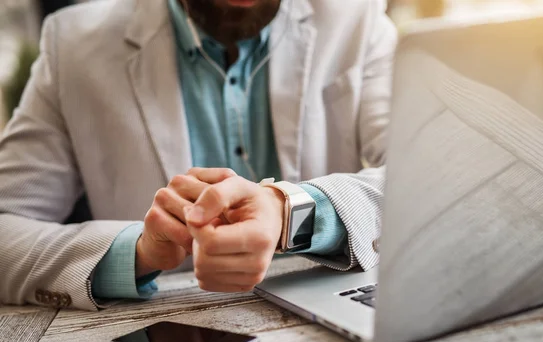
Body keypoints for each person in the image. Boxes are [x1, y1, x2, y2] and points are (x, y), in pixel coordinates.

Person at [0, 0, 396, 310]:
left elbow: (429, 179)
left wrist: (288, 212)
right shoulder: (71, 44)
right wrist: (137, 251)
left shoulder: (357, 18)